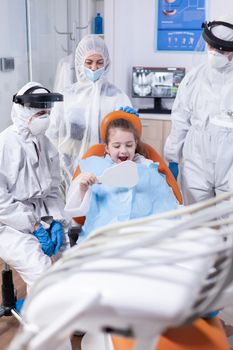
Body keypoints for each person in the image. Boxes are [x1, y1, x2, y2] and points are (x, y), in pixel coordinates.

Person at [64, 110, 179, 242]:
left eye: (129, 145)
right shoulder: (93, 168)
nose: (123, 150)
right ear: (107, 148)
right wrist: (83, 189)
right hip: (102, 239)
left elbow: (166, 205)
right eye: (116, 146)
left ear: (135, 144)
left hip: (142, 238)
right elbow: (75, 211)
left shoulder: (148, 168)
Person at [0, 82, 70, 290]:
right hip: (7, 224)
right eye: (40, 113)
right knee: (41, 271)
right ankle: (40, 319)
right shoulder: (4, 144)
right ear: (23, 110)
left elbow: (53, 190)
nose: (45, 118)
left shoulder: (46, 143)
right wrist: (33, 225)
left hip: (42, 215)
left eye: (47, 112)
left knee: (75, 254)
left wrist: (56, 220)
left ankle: (76, 311)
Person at [46, 34, 132, 198]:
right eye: (89, 62)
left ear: (106, 63)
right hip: (70, 167)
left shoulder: (117, 97)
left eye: (99, 62)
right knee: (74, 211)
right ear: (80, 63)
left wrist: (131, 122)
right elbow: (52, 134)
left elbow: (130, 138)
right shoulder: (67, 96)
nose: (94, 68)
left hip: (107, 168)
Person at [164, 16, 233, 205]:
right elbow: (180, 120)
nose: (216, 53)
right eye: (213, 47)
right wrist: (172, 158)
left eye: (223, 49)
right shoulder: (194, 78)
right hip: (196, 163)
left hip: (230, 165)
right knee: (196, 224)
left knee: (229, 227)